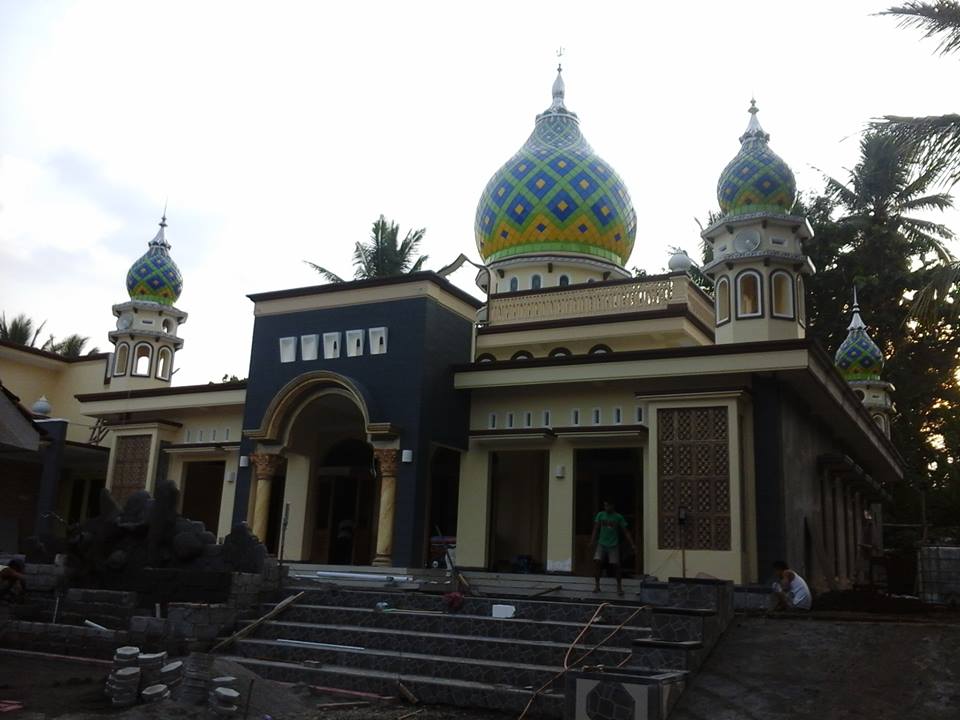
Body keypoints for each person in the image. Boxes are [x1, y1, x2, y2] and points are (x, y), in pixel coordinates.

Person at [590, 500, 637, 596]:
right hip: (601, 544)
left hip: (613, 545)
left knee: (616, 566)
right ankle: (597, 585)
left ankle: (619, 587)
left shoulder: (618, 517)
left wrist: (632, 544)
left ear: (612, 506)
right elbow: (596, 529)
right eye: (605, 505)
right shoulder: (600, 515)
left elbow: (625, 531)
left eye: (608, 506)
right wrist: (592, 541)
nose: (606, 508)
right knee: (597, 563)